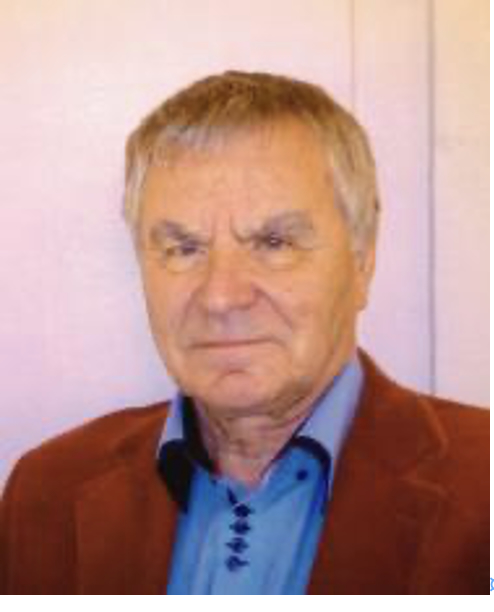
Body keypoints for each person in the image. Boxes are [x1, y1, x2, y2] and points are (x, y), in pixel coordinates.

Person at [0, 71, 489, 595]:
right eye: (184, 248)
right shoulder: (48, 491)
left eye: (274, 242)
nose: (221, 297)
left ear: (362, 260)